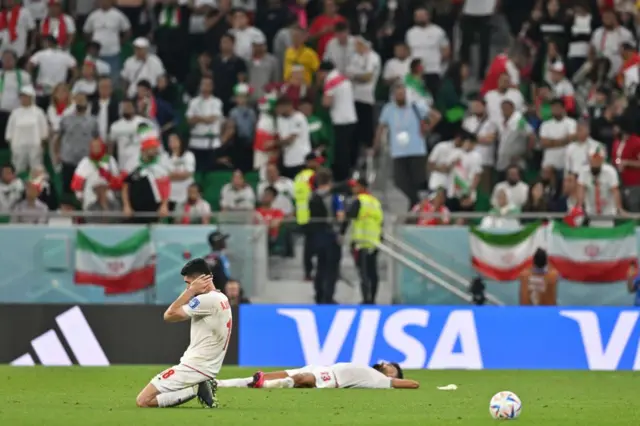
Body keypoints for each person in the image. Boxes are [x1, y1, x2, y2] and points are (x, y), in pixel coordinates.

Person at [135, 258, 232, 409]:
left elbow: (169, 315)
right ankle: (197, 386)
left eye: (188, 283)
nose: (187, 287)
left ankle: (195, 389)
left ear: (200, 280)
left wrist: (191, 291)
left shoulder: (206, 300)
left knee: (143, 400)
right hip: (205, 366)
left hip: (194, 367)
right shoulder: (221, 297)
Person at [216, 361, 418, 390]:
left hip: (333, 378)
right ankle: (221, 383)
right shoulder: (371, 370)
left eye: (391, 366)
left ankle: (268, 386)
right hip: (322, 367)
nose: (386, 365)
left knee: (303, 379)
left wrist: (396, 379)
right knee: (263, 374)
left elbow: (414, 384)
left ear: (395, 374)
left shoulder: (380, 380)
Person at [342, 177, 383, 304]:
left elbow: (349, 217)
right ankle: (373, 298)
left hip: (361, 242)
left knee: (363, 273)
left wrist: (341, 233)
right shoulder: (375, 202)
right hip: (374, 242)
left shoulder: (359, 201)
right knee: (373, 272)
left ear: (361, 187)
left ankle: (366, 299)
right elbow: (380, 221)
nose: (353, 189)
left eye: (355, 186)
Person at [308, 167, 344, 304]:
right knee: (332, 268)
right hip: (331, 235)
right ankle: (328, 297)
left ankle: (318, 294)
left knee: (320, 266)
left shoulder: (312, 196)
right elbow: (340, 216)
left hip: (317, 236)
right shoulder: (334, 196)